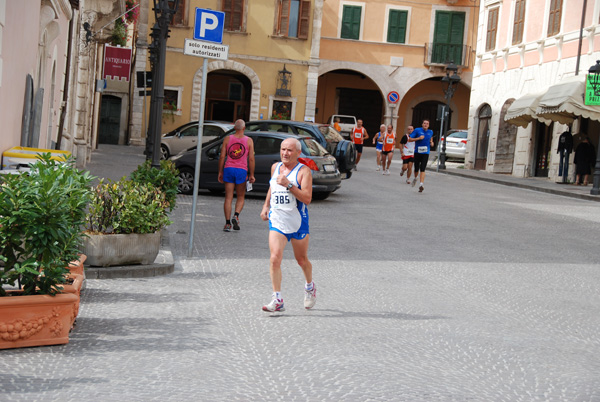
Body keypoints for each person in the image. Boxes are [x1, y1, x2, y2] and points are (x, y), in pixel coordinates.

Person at [260, 138, 316, 312]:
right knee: (274, 258)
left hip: (298, 221)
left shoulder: (303, 171)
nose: (285, 153)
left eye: (290, 150)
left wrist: (289, 184)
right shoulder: (275, 167)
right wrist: (266, 205)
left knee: (301, 260)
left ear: (298, 153)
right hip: (277, 220)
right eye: (283, 149)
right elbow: (272, 186)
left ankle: (309, 286)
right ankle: (277, 299)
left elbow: (307, 199)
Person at [218, 119, 255, 231]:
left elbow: (222, 157)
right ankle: (236, 215)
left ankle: (228, 223)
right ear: (244, 128)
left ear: (234, 128)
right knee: (240, 196)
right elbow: (251, 159)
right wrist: (252, 174)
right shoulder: (249, 141)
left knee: (228, 197)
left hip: (229, 168)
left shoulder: (227, 139)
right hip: (241, 170)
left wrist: (220, 171)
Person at [408, 119, 434, 192]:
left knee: (422, 168)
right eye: (424, 123)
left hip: (425, 153)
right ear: (422, 124)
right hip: (417, 152)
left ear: (428, 125)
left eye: (427, 124)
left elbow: (430, 138)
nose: (425, 125)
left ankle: (421, 184)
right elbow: (410, 139)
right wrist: (418, 138)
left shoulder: (430, 132)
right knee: (416, 168)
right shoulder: (417, 130)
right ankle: (415, 178)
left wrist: (431, 142)